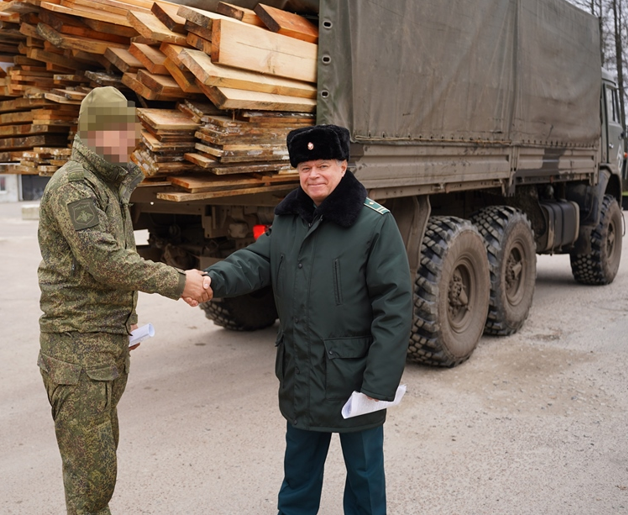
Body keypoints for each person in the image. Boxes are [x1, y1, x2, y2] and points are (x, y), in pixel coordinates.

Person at [202, 124, 412, 515]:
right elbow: (258, 261)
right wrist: (211, 279)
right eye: (304, 167)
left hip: (356, 382)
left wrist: (378, 384)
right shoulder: (288, 220)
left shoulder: (374, 223)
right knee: (298, 481)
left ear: (344, 166)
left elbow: (394, 305)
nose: (313, 174)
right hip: (302, 376)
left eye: (323, 165)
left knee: (365, 484)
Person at [36, 86, 211, 515]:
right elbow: (105, 261)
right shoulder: (75, 186)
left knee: (100, 467)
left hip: (101, 345)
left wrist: (124, 319)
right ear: (94, 133)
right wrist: (178, 282)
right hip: (79, 354)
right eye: (119, 131)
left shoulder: (108, 183)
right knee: (90, 483)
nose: (128, 141)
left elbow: (117, 262)